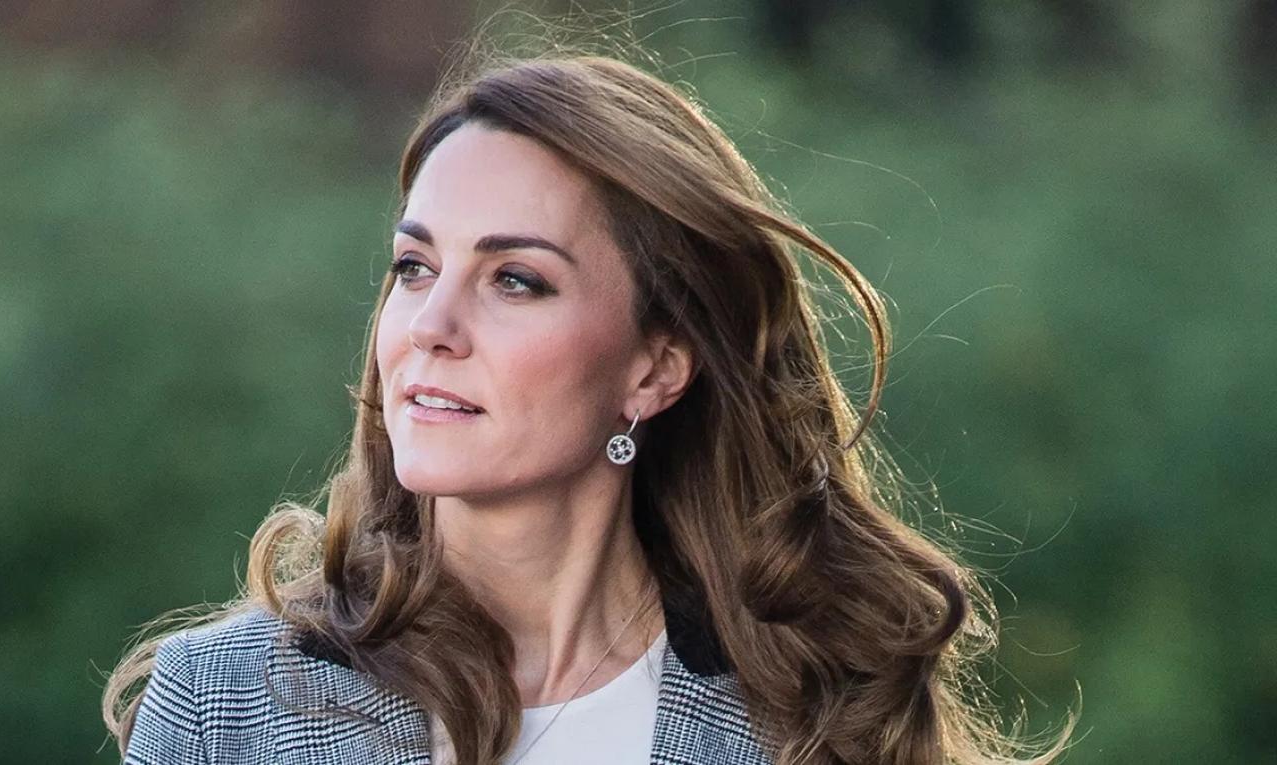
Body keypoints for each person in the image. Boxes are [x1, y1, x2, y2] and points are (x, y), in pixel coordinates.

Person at [102, 39, 1076, 765]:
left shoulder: (811, 718)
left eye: (514, 279)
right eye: (413, 267)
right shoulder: (224, 705)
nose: (430, 325)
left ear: (655, 368)